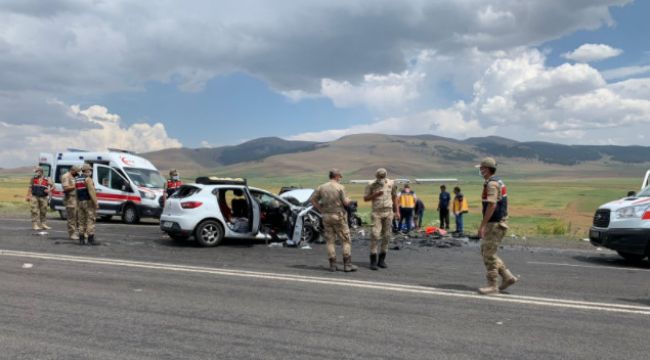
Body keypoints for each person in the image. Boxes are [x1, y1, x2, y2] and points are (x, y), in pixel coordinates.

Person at [477, 157, 518, 295]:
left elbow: (492, 204)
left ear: (487, 169)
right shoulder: (498, 182)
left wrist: (482, 225)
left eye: (482, 168)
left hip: (494, 224)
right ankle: (507, 277)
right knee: (488, 252)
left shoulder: (492, 184)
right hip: (499, 222)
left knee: (488, 255)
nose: (480, 170)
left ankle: (492, 285)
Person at [310, 169, 357, 272]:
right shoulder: (340, 187)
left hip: (326, 216)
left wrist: (321, 209)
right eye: (340, 176)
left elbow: (312, 200)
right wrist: (349, 200)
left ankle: (333, 265)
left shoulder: (321, 187)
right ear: (336, 176)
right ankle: (347, 265)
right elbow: (345, 203)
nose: (340, 178)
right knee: (345, 240)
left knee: (330, 241)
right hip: (338, 216)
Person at [363, 168, 400, 270]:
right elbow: (365, 198)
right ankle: (373, 261)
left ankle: (382, 260)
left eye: (382, 176)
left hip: (388, 212)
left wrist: (397, 211)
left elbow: (394, 197)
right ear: (376, 176)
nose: (381, 178)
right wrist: (375, 195)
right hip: (377, 213)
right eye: (379, 177)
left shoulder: (391, 183)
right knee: (375, 235)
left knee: (387, 236)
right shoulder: (371, 184)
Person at [76, 164, 99, 245]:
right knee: (90, 220)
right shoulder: (88, 179)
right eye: (90, 170)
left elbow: (76, 192)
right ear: (87, 170)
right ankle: (90, 239)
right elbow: (91, 192)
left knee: (81, 221)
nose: (91, 171)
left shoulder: (77, 179)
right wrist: (96, 203)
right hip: (88, 202)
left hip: (80, 202)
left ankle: (81, 240)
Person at [61, 165, 80, 240]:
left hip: (77, 199)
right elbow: (65, 188)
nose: (78, 173)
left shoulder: (75, 176)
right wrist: (76, 185)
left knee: (78, 217)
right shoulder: (66, 176)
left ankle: (78, 233)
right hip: (70, 199)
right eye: (77, 172)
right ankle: (72, 234)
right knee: (72, 218)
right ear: (73, 170)